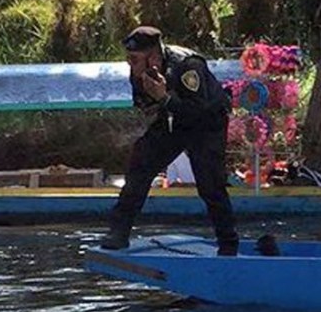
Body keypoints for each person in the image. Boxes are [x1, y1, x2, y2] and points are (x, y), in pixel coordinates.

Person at [100, 26, 240, 256]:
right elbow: (146, 107)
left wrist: (164, 98)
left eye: (135, 59)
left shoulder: (187, 66)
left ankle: (228, 244)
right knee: (141, 162)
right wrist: (158, 102)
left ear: (153, 57)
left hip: (207, 122)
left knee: (210, 184)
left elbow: (198, 111)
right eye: (129, 59)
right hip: (174, 118)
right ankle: (119, 231)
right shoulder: (139, 71)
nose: (130, 64)